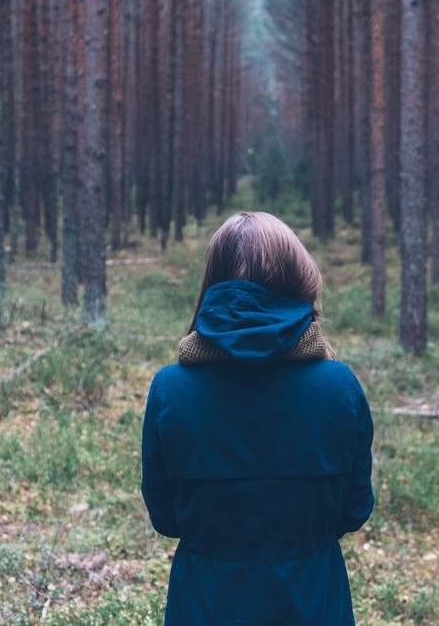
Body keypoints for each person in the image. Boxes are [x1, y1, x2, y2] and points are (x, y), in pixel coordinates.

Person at [141, 211, 374, 626]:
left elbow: (166, 519)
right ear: (298, 280)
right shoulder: (340, 386)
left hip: (205, 606)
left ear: (212, 282)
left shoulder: (170, 389)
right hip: (314, 603)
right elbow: (354, 511)